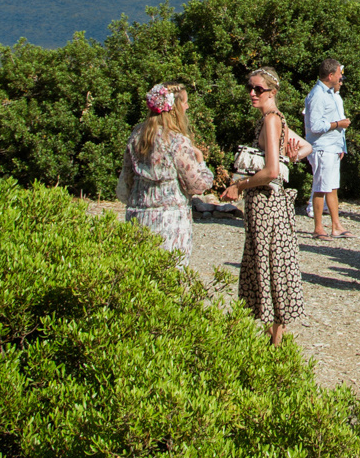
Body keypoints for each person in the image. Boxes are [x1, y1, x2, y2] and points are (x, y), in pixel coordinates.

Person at [225, 69, 305, 343]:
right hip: (271, 203)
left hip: (266, 203)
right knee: (273, 263)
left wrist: (239, 185)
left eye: (258, 89)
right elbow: (304, 147)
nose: (252, 93)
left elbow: (271, 171)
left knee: (266, 263)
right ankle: (275, 339)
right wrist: (290, 158)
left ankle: (274, 339)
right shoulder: (274, 120)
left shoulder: (271, 121)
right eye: (250, 87)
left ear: (272, 92)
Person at [119, 81, 214, 252]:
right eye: (185, 102)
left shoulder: (137, 135)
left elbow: (127, 177)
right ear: (175, 107)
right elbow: (197, 185)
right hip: (170, 221)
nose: (187, 106)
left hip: (137, 215)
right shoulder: (177, 141)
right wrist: (201, 162)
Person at [304, 58, 352, 240]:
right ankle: (318, 228)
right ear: (331, 75)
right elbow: (315, 125)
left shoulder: (331, 94)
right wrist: (338, 124)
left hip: (332, 146)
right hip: (322, 147)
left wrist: (341, 145)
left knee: (332, 187)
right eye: (339, 74)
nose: (341, 77)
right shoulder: (318, 95)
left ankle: (336, 225)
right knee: (320, 187)